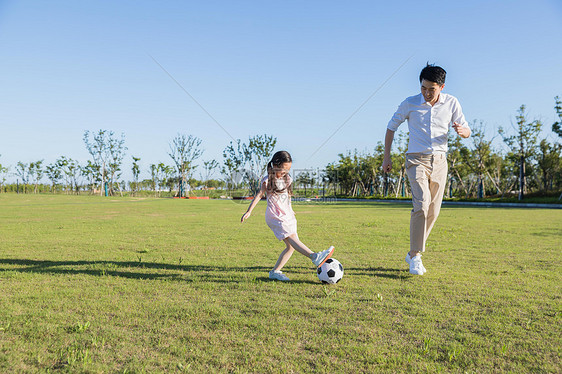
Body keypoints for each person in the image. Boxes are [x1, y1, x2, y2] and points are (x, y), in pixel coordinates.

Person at [382, 64, 471, 275]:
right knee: (421, 204)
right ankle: (415, 256)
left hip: (440, 161)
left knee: (434, 211)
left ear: (441, 86)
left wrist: (461, 130)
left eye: (431, 89)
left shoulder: (452, 103)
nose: (426, 93)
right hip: (416, 160)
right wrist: (387, 157)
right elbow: (390, 127)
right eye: (423, 88)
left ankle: (414, 251)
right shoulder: (410, 103)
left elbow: (467, 130)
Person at [241, 150, 335, 281]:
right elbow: (259, 195)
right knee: (291, 239)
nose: (286, 172)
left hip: (287, 214)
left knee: (291, 247)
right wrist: (249, 211)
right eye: (283, 169)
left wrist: (291, 209)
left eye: (288, 169)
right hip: (275, 216)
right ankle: (314, 257)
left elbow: (288, 196)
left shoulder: (287, 178)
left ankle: (275, 271)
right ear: (275, 165)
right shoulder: (267, 181)